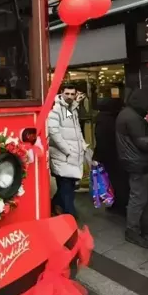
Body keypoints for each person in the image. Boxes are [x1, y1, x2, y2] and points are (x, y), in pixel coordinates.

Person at [115, 88, 148, 249]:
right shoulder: (133, 117)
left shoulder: (128, 113)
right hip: (137, 162)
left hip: (133, 160)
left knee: (144, 195)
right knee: (139, 198)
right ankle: (133, 230)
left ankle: (144, 225)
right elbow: (142, 142)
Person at [47, 84, 88, 218]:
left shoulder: (70, 108)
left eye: (72, 94)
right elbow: (53, 131)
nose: (70, 96)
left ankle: (54, 206)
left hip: (71, 155)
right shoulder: (56, 108)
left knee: (68, 187)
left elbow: (76, 129)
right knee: (66, 188)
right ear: (61, 93)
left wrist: (82, 144)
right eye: (67, 94)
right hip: (63, 155)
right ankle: (71, 216)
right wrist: (67, 149)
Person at [94, 98, 127, 215]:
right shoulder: (115, 118)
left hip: (109, 154)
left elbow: (101, 139)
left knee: (113, 180)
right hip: (116, 153)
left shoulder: (102, 119)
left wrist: (97, 155)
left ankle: (118, 203)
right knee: (119, 180)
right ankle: (120, 203)